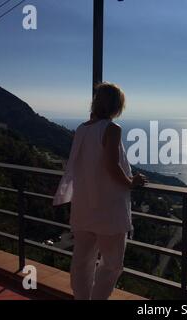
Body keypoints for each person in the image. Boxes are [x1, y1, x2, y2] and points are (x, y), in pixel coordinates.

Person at [53, 82, 147, 300]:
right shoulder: (112, 129)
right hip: (109, 210)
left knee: (81, 262)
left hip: (84, 206)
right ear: (117, 106)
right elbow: (112, 166)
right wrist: (132, 182)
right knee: (112, 265)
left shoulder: (82, 129)